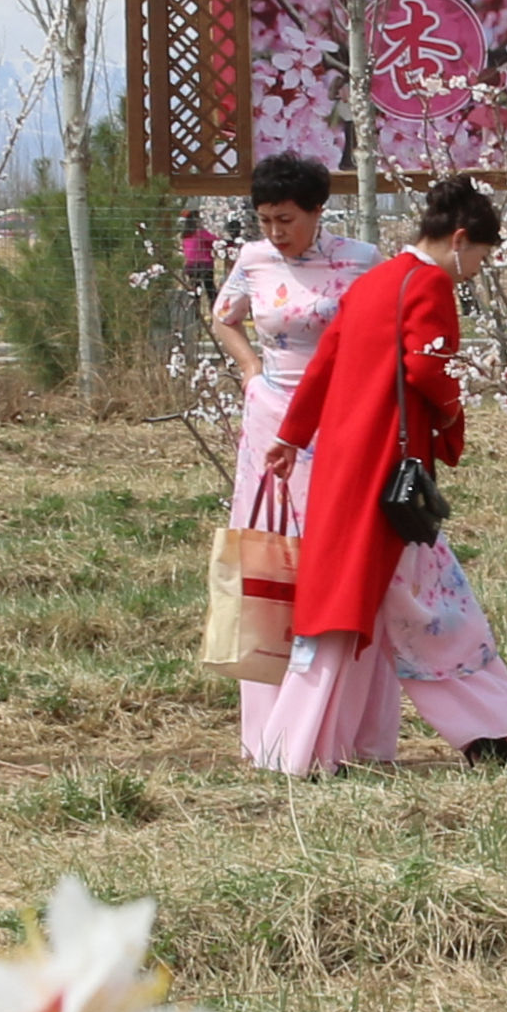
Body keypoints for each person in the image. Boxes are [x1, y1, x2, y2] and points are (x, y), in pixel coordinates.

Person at [252, 177, 507, 775]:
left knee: (347, 606)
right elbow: (427, 368)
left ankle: (307, 748)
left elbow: (323, 364)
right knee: (438, 608)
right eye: (480, 256)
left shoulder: (373, 281)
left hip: (344, 469)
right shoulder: (429, 283)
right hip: (390, 477)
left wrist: (290, 438)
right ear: (460, 240)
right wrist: (454, 412)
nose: (476, 271)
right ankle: (485, 736)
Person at [208, 154, 377, 763]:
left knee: (333, 555)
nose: (275, 233)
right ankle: (268, 729)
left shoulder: (360, 261)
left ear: (317, 212)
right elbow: (223, 316)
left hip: (339, 418)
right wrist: (252, 370)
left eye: (286, 219)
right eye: (265, 220)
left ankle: (337, 725)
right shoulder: (252, 261)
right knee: (272, 554)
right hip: (271, 412)